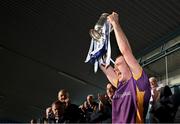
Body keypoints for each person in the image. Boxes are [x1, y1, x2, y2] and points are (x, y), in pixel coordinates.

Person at [100, 12, 151, 123]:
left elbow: (126, 51)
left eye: (118, 65)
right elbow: (104, 66)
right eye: (114, 66)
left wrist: (115, 23)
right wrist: (97, 43)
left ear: (129, 66)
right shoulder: (119, 85)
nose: (115, 69)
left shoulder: (140, 83)